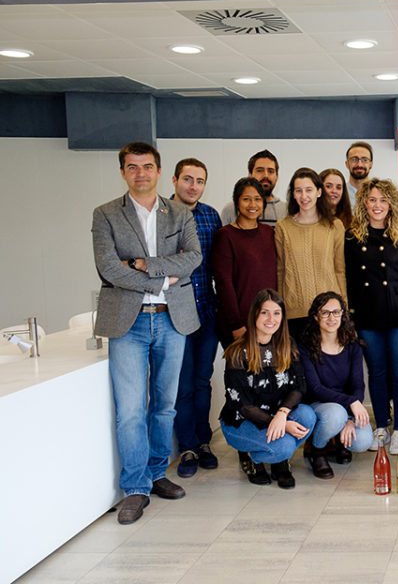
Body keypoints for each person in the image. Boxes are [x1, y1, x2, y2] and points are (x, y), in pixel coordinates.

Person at [91, 142, 201, 524]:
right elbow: (109, 268)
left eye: (147, 166)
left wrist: (142, 265)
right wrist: (161, 278)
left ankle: (156, 473)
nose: (141, 173)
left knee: (165, 405)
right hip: (128, 322)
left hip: (173, 320)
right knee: (130, 411)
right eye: (133, 167)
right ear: (123, 172)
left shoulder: (180, 213)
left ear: (158, 171)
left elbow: (193, 257)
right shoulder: (106, 214)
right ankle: (135, 488)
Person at [345, 179, 398, 455]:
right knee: (377, 372)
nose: (377, 205)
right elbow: (350, 280)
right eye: (372, 200)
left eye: (383, 200)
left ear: (391, 204)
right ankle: (381, 426)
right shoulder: (352, 237)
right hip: (368, 317)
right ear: (364, 203)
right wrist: (351, 317)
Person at [219, 289, 316, 489]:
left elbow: (299, 386)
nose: (271, 319)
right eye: (265, 312)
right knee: (284, 446)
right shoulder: (237, 352)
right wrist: (281, 424)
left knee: (308, 416)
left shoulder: (287, 345)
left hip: (277, 415)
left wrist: (282, 414)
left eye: (276, 313)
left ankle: (279, 462)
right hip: (242, 421)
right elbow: (244, 406)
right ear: (254, 315)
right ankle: (251, 456)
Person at [170, 158, 222, 478]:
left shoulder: (210, 216)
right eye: (187, 179)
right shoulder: (162, 216)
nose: (193, 186)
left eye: (199, 181)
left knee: (203, 381)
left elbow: (217, 263)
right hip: (176, 314)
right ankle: (187, 447)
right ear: (174, 180)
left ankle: (204, 442)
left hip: (207, 312)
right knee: (183, 385)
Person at [298, 292, 373, 479]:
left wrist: (350, 419)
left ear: (342, 315)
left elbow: (357, 385)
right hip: (318, 405)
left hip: (343, 407)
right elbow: (316, 389)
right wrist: (351, 404)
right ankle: (317, 451)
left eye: (336, 312)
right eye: (325, 313)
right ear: (316, 317)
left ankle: (339, 442)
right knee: (335, 414)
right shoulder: (305, 347)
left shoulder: (352, 346)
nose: (331, 318)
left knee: (363, 440)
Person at [274, 167, 347, 342]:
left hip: (328, 313)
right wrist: (280, 311)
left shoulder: (334, 225)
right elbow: (280, 271)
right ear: (293, 194)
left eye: (309, 190)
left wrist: (343, 307)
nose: (304, 196)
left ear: (319, 192)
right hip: (294, 313)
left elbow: (340, 270)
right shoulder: (283, 227)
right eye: (298, 191)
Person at [210, 178, 278, 349]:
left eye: (257, 199)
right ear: (236, 201)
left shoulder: (269, 233)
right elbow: (224, 283)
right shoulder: (225, 235)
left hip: (268, 322)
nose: (252, 204)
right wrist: (236, 325)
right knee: (241, 366)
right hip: (239, 324)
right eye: (246, 199)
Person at [220, 149, 285, 226]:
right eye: (260, 170)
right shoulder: (230, 210)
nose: (266, 175)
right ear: (250, 175)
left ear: (277, 177)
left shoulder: (286, 211)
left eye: (270, 171)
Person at [345, 141, 373, 205]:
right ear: (347, 164)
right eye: (354, 159)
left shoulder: (381, 194)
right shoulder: (339, 193)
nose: (359, 164)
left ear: (370, 164)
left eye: (365, 160)